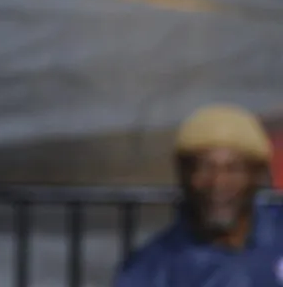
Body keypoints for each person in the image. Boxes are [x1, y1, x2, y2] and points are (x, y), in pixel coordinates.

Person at [114, 104, 283, 287]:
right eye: (204, 168)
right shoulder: (151, 270)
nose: (218, 183)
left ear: (258, 174)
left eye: (234, 169)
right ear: (183, 173)